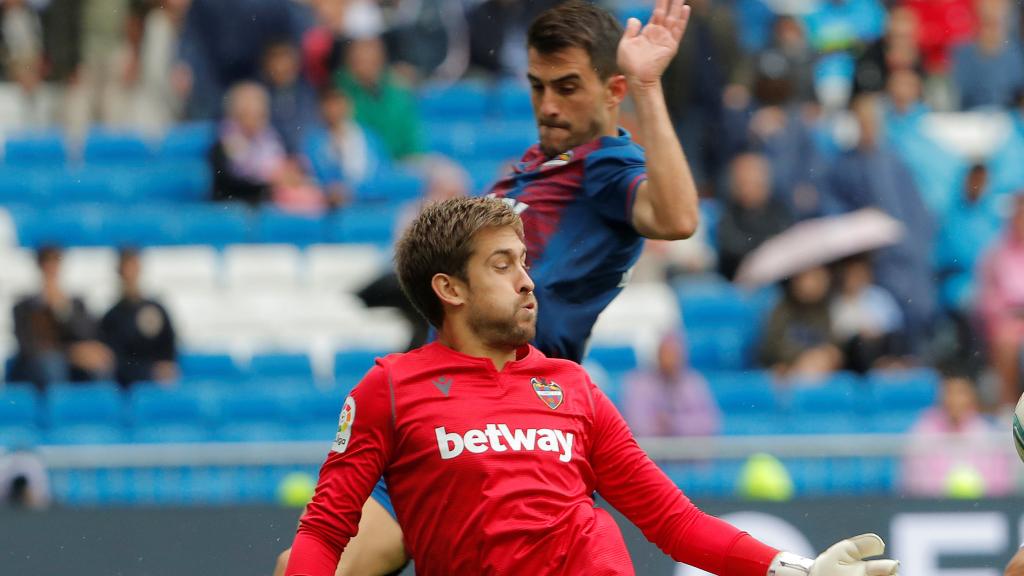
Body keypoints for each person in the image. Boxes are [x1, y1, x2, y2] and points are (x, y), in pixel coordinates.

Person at [284, 196, 899, 575]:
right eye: (502, 265)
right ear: (450, 289)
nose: (527, 281)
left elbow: (674, 522)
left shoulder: (572, 386)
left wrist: (792, 570)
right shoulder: (390, 387)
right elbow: (324, 529)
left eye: (524, 262)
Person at [9, 246, 113, 390]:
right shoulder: (24, 307)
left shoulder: (74, 304)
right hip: (40, 365)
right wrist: (70, 354)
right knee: (53, 364)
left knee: (99, 360)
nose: (51, 268)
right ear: (40, 266)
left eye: (55, 262)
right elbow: (28, 346)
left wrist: (63, 309)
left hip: (71, 361)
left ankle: (101, 409)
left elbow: (87, 334)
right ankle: (57, 409)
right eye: (47, 263)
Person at [900, 376, 1012, 497]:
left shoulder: (986, 432)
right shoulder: (923, 429)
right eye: (950, 393)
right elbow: (914, 478)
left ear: (972, 399)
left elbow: (999, 482)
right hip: (934, 506)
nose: (954, 400)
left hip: (980, 505)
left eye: (960, 393)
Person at [100, 248, 178, 388]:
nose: (130, 274)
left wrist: (166, 367)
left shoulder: (156, 309)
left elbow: (169, 345)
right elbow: (115, 361)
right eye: (126, 268)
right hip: (129, 386)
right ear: (119, 272)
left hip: (160, 383)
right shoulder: (112, 316)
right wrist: (149, 371)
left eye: (134, 267)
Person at [622, 330, 720, 437]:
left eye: (674, 353)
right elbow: (636, 423)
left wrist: (674, 423)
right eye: (665, 353)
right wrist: (659, 426)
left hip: (689, 450)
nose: (669, 359)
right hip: (650, 450)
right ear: (657, 354)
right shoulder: (639, 384)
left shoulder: (694, 383)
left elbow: (709, 423)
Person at [977, 193, 1024, 409]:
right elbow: (987, 298)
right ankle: (1008, 405)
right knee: (1006, 342)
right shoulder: (996, 253)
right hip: (1008, 322)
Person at [759, 265, 844, 378]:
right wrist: (804, 356)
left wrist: (830, 353)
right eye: (813, 278)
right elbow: (772, 347)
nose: (819, 283)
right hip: (789, 369)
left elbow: (833, 342)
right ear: (797, 280)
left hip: (820, 369)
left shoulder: (824, 311)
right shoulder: (782, 309)